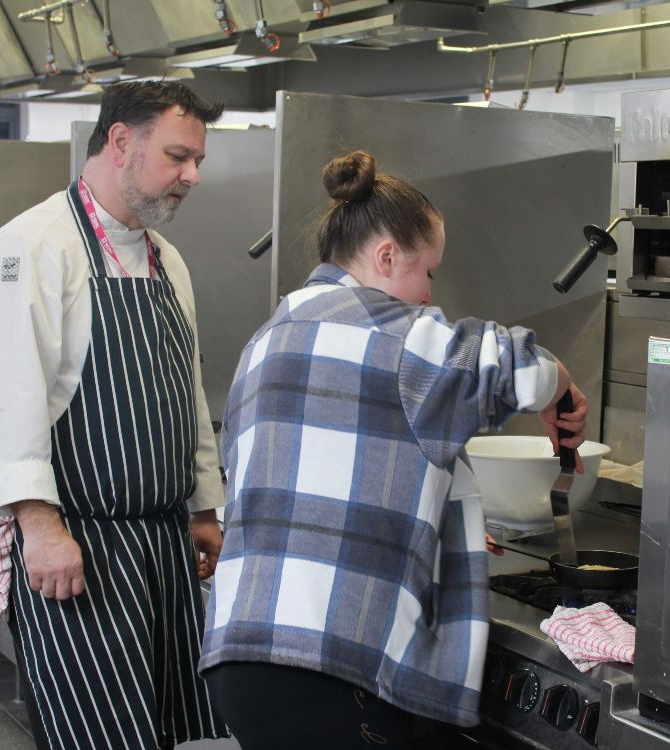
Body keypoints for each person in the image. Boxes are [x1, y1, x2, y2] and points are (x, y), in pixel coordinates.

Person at [199, 149, 589, 748]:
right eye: (429, 271)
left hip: (242, 658)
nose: (432, 292)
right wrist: (562, 391)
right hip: (332, 671)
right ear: (385, 256)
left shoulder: (269, 336)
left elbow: (342, 475)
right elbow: (524, 367)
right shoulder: (400, 337)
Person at [0, 81, 230, 750]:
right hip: (80, 545)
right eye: (176, 156)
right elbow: (4, 401)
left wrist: (201, 506)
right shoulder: (35, 249)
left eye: (196, 160)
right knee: (98, 734)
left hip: (160, 542)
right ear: (118, 143)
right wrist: (41, 529)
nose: (191, 176)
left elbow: (185, 391)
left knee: (162, 730)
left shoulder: (168, 262)